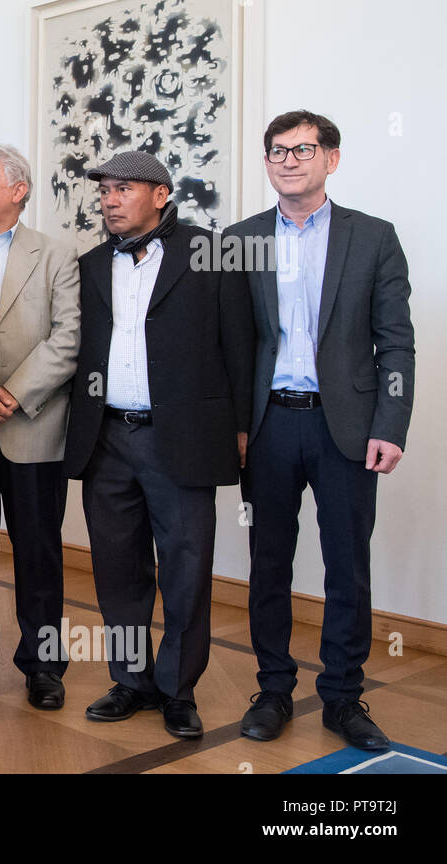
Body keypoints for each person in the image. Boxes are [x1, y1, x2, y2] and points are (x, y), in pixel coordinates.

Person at [227, 110, 414, 751]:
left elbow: (396, 344)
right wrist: (235, 427)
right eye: (277, 150)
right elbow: (232, 344)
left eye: (303, 149)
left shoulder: (374, 237)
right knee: (268, 564)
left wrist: (391, 424)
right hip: (269, 427)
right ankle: (273, 689)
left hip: (351, 430)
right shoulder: (241, 239)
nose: (289, 160)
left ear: (331, 158)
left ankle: (342, 696)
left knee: (347, 568)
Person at [64, 151, 254, 739]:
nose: (109, 199)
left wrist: (243, 428)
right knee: (118, 571)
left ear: (161, 195)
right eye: (105, 191)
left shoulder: (212, 252)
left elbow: (241, 347)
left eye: (123, 189)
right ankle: (131, 680)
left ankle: (177, 688)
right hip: (107, 437)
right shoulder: (92, 263)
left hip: (185, 439)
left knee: (187, 569)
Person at [0, 144, 80, 708]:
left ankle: (43, 664)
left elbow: (68, 338)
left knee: (38, 553)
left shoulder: (56, 255)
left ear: (19, 190)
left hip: (33, 426)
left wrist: (9, 394)